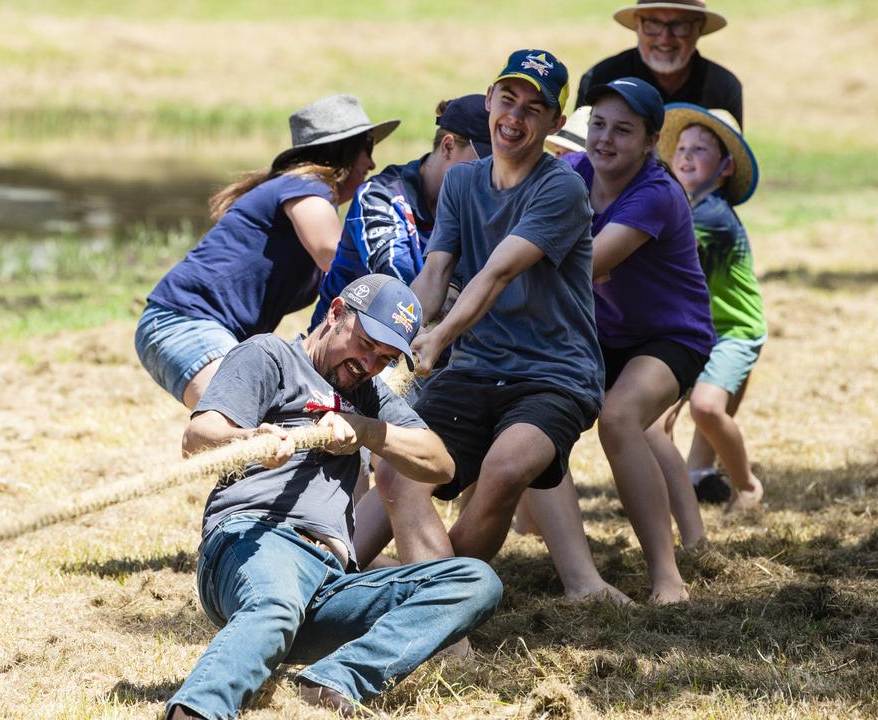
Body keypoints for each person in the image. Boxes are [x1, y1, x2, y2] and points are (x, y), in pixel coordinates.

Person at [353, 50, 627, 604]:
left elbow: (497, 273)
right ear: (489, 102)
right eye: (508, 99)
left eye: (535, 107)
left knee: (504, 469)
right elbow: (434, 275)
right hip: (477, 369)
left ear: (554, 124)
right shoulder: (461, 184)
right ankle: (328, 577)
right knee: (398, 470)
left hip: (555, 375)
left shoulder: (561, 189)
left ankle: (435, 604)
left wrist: (440, 337)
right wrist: (396, 333)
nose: (516, 117)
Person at [166, 274, 502, 720]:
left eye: (384, 359)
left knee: (475, 582)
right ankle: (197, 710)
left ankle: (334, 681)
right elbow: (197, 436)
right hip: (257, 541)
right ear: (336, 311)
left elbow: (440, 464)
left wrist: (364, 430)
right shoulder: (271, 355)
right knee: (277, 602)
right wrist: (251, 438)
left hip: (328, 581)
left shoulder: (370, 397)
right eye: (365, 344)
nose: (368, 363)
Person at [136, 94, 398, 409]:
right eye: (366, 149)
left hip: (192, 324)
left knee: (261, 417)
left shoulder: (297, 190)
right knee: (244, 414)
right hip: (185, 321)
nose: (371, 163)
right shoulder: (307, 187)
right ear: (342, 153)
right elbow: (334, 255)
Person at [562, 77, 716, 603]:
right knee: (536, 406)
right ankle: (694, 540)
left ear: (651, 142)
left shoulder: (655, 193)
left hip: (674, 335)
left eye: (622, 130)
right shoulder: (573, 172)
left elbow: (587, 264)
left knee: (621, 416)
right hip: (607, 333)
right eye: (598, 124)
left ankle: (669, 577)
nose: (604, 139)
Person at [657, 103, 765, 511]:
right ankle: (683, 486)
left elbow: (657, 247)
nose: (686, 155)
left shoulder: (713, 216)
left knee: (705, 407)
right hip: (694, 329)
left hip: (734, 331)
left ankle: (748, 484)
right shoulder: (679, 204)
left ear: (725, 169)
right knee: (657, 418)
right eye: (682, 147)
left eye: (701, 149)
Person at [308, 94, 490, 329]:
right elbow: (401, 293)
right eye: (484, 163)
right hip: (347, 349)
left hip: (430, 353)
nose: (491, 177)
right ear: (448, 147)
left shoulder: (480, 209)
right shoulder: (380, 196)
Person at [576, 0, 743, 128]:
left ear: (699, 27)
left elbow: (732, 164)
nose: (665, 39)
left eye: (679, 25)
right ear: (637, 25)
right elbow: (576, 156)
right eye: (653, 24)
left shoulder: (723, 87)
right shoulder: (601, 79)